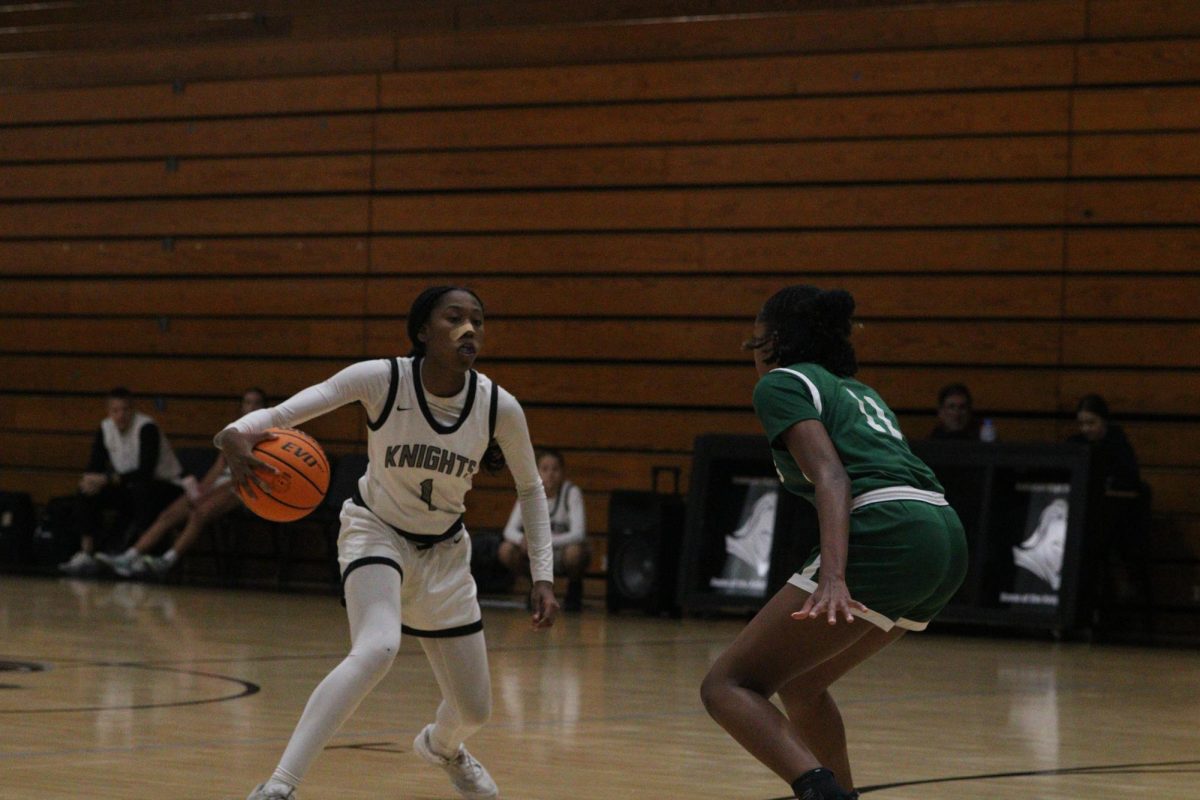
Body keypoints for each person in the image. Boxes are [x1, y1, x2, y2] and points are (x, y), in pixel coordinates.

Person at [215, 286, 559, 800]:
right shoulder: (383, 378)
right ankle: (278, 787)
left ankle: (443, 748)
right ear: (423, 330)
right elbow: (284, 414)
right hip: (376, 531)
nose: (470, 329)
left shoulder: (498, 407)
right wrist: (234, 433)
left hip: (445, 554)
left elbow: (530, 488)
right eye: (455, 318)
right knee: (377, 647)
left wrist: (543, 575)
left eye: (478, 322)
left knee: (474, 710)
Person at [699, 286, 968, 800]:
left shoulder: (780, 383)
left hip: (888, 529)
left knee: (727, 686)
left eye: (754, 337)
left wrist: (834, 576)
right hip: (944, 535)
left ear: (773, 340)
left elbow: (833, 477)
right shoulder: (856, 391)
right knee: (801, 685)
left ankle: (820, 792)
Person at [96, 388, 268, 579]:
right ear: (242, 407)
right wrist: (201, 489)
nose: (251, 407)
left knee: (199, 513)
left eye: (256, 403)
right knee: (169, 514)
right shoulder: (235, 430)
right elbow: (219, 466)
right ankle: (129, 556)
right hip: (223, 481)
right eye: (247, 402)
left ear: (264, 407)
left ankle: (167, 560)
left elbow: (253, 472)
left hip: (245, 485)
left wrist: (209, 494)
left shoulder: (268, 433)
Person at [59, 387, 185, 577]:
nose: (121, 415)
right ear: (109, 412)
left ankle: (141, 555)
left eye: (125, 410)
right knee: (87, 491)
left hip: (167, 487)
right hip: (130, 487)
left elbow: (145, 472)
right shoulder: (105, 428)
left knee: (143, 490)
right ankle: (86, 552)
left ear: (133, 410)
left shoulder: (147, 427)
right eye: (115, 411)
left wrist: (108, 479)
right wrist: (90, 480)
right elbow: (95, 464)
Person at [498, 447, 590, 611]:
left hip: (560, 553)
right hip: (537, 555)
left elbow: (579, 533)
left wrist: (545, 542)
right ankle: (534, 587)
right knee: (506, 550)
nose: (550, 474)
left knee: (575, 553)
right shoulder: (529, 492)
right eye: (545, 469)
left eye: (555, 469)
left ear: (562, 472)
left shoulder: (571, 492)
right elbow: (508, 530)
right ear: (537, 471)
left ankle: (574, 588)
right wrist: (522, 540)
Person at [1068, 394, 1140, 492]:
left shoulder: (1119, 446)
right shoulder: (1075, 443)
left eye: (1091, 423)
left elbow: (1130, 479)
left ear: (1104, 421)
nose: (1085, 429)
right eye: (1081, 424)